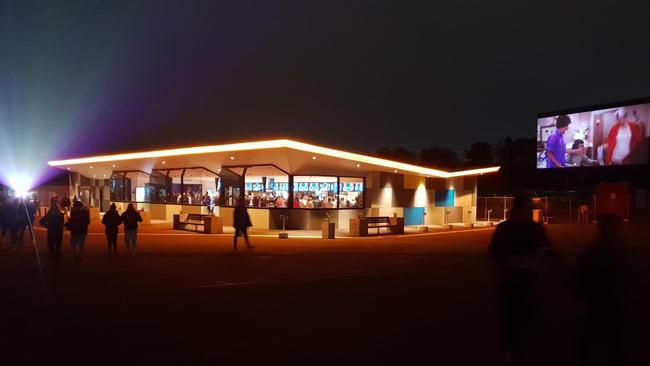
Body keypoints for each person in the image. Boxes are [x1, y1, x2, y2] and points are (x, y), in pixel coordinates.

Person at [488, 196, 553, 364]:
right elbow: (546, 250)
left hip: (514, 281)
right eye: (528, 209)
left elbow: (494, 252)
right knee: (521, 318)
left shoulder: (507, 228)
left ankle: (515, 351)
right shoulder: (532, 228)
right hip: (522, 282)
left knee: (515, 319)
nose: (529, 212)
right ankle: (519, 352)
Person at [576, 214, 627, 365]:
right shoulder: (607, 248)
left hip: (605, 297)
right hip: (604, 297)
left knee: (596, 329)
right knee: (604, 330)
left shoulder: (600, 248)